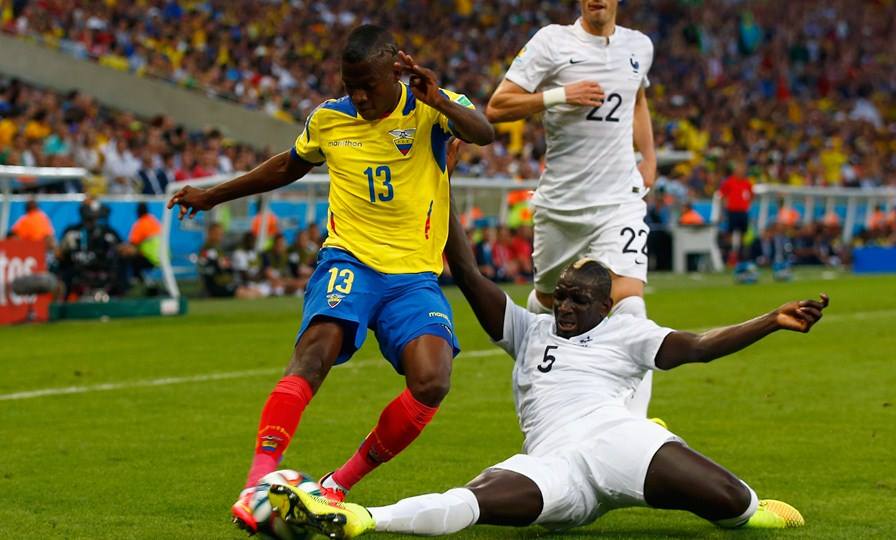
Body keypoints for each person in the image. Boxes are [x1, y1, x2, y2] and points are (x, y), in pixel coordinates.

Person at [268, 202, 829, 538]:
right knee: (473, 500)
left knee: (732, 502)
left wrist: (771, 320)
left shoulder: (625, 333)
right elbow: (465, 270)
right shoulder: (528, 328)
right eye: (560, 296)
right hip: (556, 463)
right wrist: (440, 193)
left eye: (578, 300)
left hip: (617, 438)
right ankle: (360, 519)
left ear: (603, 306)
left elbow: (701, 345)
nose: (564, 306)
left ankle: (748, 511)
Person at [166, 24, 494, 535]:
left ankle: (337, 485)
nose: (358, 95)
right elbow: (287, 166)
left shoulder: (433, 105)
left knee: (432, 380)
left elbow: (484, 132)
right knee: (316, 349)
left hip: (412, 277)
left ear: (395, 71)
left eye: (368, 84)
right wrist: (212, 195)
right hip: (350, 261)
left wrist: (444, 104)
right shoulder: (330, 118)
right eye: (350, 84)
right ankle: (257, 482)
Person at [485, 0, 658, 415]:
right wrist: (561, 95)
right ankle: (543, 398)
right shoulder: (552, 42)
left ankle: (629, 426)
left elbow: (636, 101)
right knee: (548, 307)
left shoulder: (639, 46)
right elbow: (498, 106)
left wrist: (648, 156)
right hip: (562, 206)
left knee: (629, 304)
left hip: (618, 201)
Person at [718, 162, 753, 263]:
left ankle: (741, 256)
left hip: (743, 211)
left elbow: (751, 195)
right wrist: (725, 208)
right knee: (730, 233)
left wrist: (746, 205)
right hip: (732, 211)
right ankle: (728, 255)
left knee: (743, 233)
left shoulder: (747, 183)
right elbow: (722, 195)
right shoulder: (729, 182)